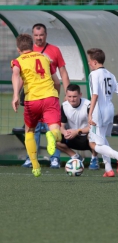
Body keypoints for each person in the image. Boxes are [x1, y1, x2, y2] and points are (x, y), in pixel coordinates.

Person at [11, 33, 62, 177]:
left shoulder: (18, 60)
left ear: (18, 49)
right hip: (50, 96)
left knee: (29, 132)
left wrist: (15, 95)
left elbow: (15, 74)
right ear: (32, 46)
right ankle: (52, 135)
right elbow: (57, 82)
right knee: (55, 129)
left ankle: (35, 166)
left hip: (32, 100)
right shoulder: (44, 58)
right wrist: (55, 97)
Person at [21, 23, 70, 169]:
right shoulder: (27, 50)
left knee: (51, 127)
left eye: (41, 35)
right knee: (32, 128)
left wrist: (67, 92)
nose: (38, 38)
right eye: (35, 35)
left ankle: (54, 158)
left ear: (46, 35)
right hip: (33, 95)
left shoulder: (54, 50)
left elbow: (63, 72)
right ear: (32, 36)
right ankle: (31, 157)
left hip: (48, 93)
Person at [87, 48, 118, 177]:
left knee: (93, 144)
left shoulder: (94, 74)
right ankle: (108, 169)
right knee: (101, 139)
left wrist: (89, 114)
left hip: (99, 111)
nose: (88, 63)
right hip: (110, 110)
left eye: (89, 61)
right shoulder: (111, 74)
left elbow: (95, 95)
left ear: (94, 62)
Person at [56, 84, 99, 170]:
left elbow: (93, 126)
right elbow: (61, 126)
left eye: (75, 96)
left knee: (94, 134)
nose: (72, 99)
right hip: (72, 137)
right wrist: (65, 132)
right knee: (55, 138)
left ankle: (94, 159)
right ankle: (75, 157)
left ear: (80, 95)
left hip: (86, 138)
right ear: (66, 96)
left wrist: (77, 132)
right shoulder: (64, 106)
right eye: (69, 96)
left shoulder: (88, 105)